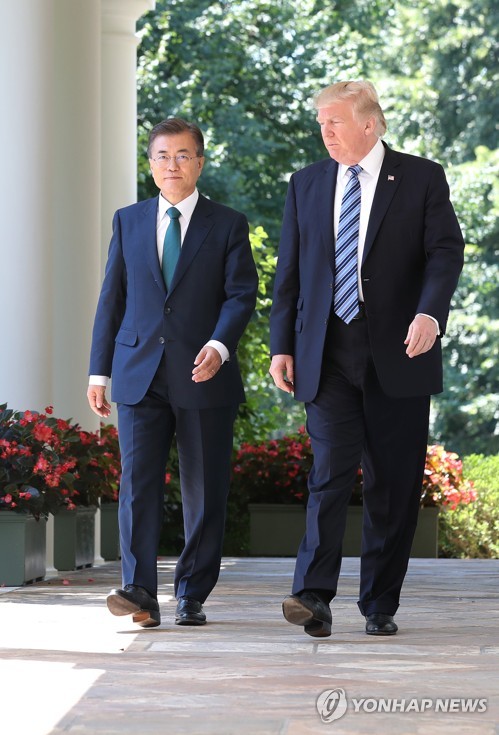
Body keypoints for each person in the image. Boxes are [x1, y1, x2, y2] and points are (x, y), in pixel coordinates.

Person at [269, 81, 464, 637]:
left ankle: (379, 603)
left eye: (334, 122)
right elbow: (290, 271)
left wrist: (430, 315)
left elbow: (445, 252)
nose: (325, 132)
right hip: (326, 351)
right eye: (321, 123)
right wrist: (282, 345)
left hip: (401, 349)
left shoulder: (421, 177)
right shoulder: (306, 183)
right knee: (328, 473)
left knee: (392, 483)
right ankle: (313, 595)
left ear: (369, 124)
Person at [88, 118, 258, 628]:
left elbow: (240, 295)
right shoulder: (128, 221)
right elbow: (112, 298)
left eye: (183, 155)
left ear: (199, 163)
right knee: (137, 486)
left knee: (204, 491)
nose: (172, 165)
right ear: (150, 164)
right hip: (138, 372)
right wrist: (99, 372)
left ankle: (192, 593)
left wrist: (219, 346)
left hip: (204, 371)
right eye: (162, 156)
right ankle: (140, 591)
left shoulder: (227, 224)